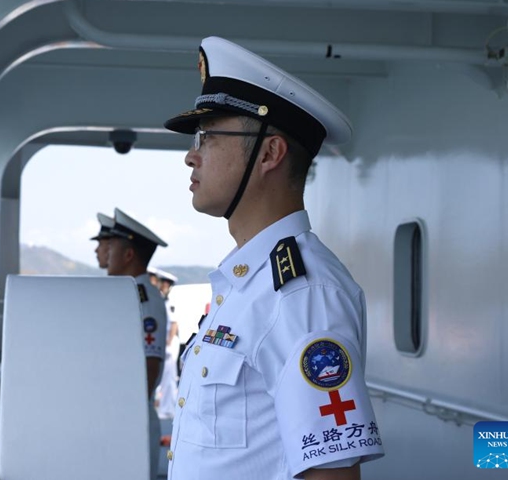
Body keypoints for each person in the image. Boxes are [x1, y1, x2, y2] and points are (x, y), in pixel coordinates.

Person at [162, 37, 385, 480]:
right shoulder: (248, 285)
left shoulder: (303, 294)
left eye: (208, 137)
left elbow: (331, 474)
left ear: (269, 153)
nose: (191, 155)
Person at [107, 207, 168, 480]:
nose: (106, 255)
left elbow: (150, 364)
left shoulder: (145, 298)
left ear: (129, 255)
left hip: (133, 420)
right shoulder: (126, 294)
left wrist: (127, 416)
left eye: (111, 250)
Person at [153, 268, 180, 419]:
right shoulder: (162, 300)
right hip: (166, 342)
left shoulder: (169, 302)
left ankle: (168, 409)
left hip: (169, 343)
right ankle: (166, 407)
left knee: (169, 377)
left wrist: (168, 344)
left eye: (162, 283)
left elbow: (174, 324)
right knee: (165, 377)